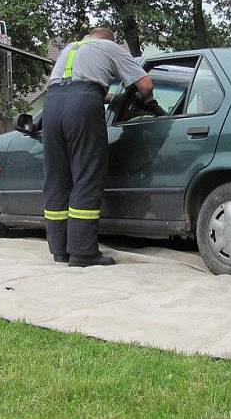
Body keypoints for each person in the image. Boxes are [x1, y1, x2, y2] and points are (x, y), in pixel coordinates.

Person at [43, 27, 153, 267]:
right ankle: (83, 253)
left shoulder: (69, 49)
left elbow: (73, 87)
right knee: (87, 174)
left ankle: (60, 250)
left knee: (57, 178)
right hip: (83, 105)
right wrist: (145, 102)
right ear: (109, 39)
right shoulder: (110, 47)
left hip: (51, 105)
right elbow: (145, 83)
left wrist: (110, 99)